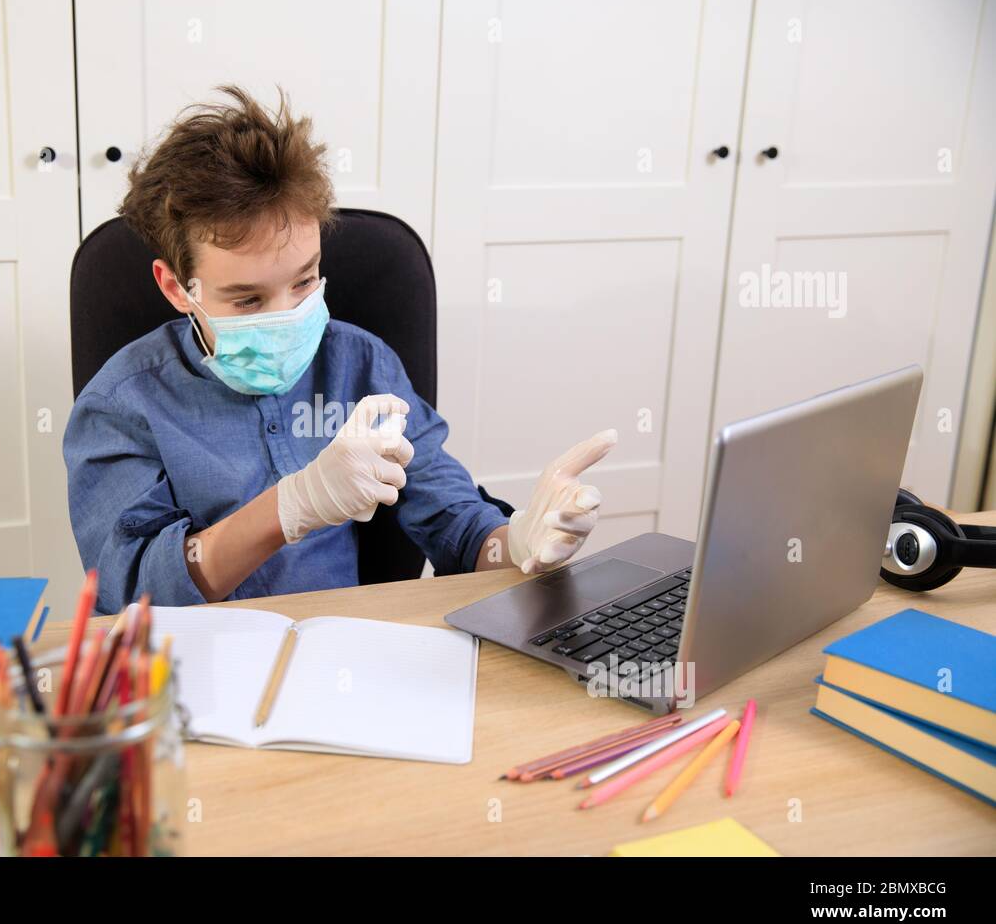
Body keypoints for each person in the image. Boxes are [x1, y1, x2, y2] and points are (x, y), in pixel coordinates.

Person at [64, 86, 616, 613]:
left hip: (342, 662)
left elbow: (456, 524)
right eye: (248, 299)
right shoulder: (120, 407)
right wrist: (289, 507)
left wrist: (516, 546)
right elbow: (130, 591)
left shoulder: (362, 365)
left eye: (304, 282)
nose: (285, 317)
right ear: (177, 287)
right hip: (189, 678)